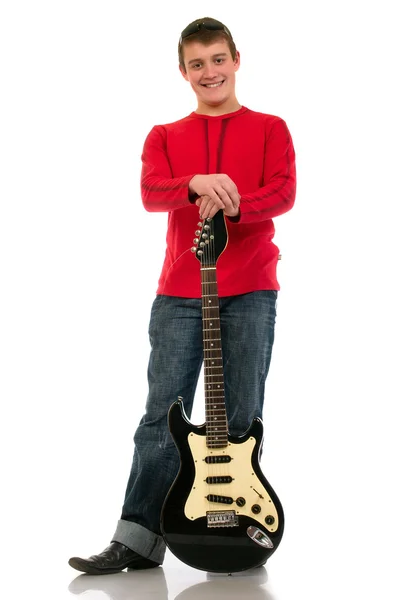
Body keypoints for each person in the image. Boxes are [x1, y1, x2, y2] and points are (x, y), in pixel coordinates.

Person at [69, 16, 296, 575]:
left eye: (218, 59)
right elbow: (150, 193)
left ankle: (239, 529)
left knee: (242, 418)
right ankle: (138, 541)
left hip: (249, 290)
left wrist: (235, 201)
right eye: (197, 63)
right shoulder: (164, 136)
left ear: (236, 60)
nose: (209, 72)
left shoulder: (270, 127)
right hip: (178, 292)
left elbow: (284, 193)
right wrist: (194, 183)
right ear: (183, 72)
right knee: (160, 417)